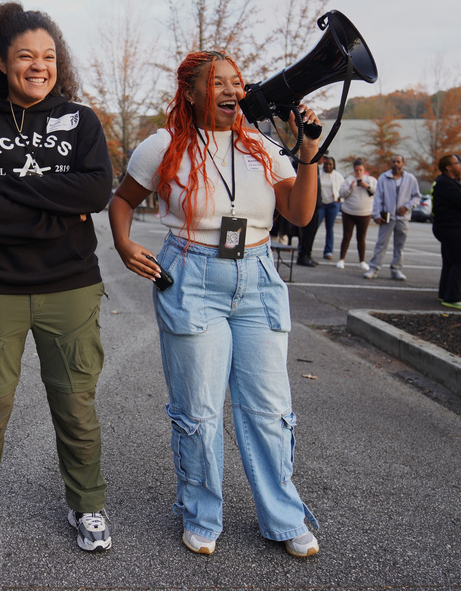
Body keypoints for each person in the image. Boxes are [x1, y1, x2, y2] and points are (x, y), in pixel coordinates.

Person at [110, 50, 321, 559]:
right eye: (218, 83)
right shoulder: (162, 147)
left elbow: (299, 211)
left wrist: (308, 154)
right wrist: (123, 243)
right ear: (190, 90)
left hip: (258, 277)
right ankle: (202, 513)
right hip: (191, 279)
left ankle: (284, 517)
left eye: (238, 83)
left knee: (270, 410)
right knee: (199, 412)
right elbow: (122, 200)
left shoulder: (265, 147)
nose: (232, 91)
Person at [0, 2, 114, 557]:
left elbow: (94, 193)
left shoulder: (82, 120)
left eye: (48, 56)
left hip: (70, 285)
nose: (38, 66)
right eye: (25, 56)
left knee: (76, 405)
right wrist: (56, 214)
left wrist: (9, 189)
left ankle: (86, 503)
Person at [363, 155, 420, 281]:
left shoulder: (410, 179)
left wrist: (407, 206)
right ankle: (374, 268)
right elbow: (378, 197)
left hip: (403, 218)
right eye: (393, 161)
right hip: (387, 217)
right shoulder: (384, 178)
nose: (395, 164)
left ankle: (396, 270)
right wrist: (376, 215)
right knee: (381, 243)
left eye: (398, 162)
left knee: (400, 245)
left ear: (403, 163)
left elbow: (416, 196)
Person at [431, 155, 461, 310]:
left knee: (450, 262)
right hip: (453, 229)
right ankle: (453, 297)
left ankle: (445, 293)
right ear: (448, 167)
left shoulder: (448, 183)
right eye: (457, 163)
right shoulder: (446, 184)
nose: (460, 165)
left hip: (452, 228)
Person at [337, 158, 376, 270]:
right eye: (356, 170)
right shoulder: (349, 180)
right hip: (349, 212)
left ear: (364, 169)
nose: (358, 172)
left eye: (360, 170)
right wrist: (350, 188)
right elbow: (341, 194)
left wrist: (366, 186)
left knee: (361, 237)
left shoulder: (370, 180)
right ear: (353, 170)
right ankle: (341, 259)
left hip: (365, 213)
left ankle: (362, 261)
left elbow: (375, 192)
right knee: (346, 236)